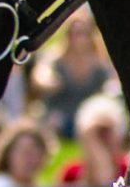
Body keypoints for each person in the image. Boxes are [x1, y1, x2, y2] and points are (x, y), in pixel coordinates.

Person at [29, 10, 118, 138]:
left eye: (83, 33)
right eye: (74, 33)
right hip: (60, 114)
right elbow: (40, 75)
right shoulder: (56, 58)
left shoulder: (99, 63)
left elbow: (113, 83)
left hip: (87, 117)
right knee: (52, 121)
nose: (79, 38)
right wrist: (48, 81)